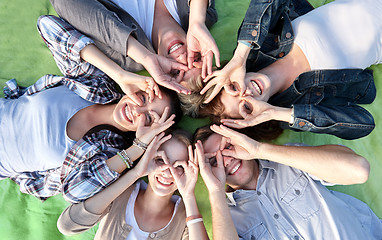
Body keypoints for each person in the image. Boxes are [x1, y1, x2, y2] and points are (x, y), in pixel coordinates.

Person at [0, 15, 183, 203]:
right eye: (144, 99)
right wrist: (119, 75)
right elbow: (48, 26)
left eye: (150, 118)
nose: (137, 111)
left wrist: (138, 147)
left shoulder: (110, 154)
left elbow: (73, 192)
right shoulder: (97, 85)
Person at [185, 0, 380, 140]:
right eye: (245, 107)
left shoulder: (260, 45)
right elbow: (363, 123)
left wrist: (240, 57)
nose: (247, 94)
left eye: (234, 89)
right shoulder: (296, 109)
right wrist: (277, 113)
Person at [194, 124, 382, 239]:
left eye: (228, 146)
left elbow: (358, 169)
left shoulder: (288, 159)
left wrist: (259, 149)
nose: (226, 160)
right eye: (213, 161)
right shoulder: (228, 220)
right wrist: (216, 191)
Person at [57, 129, 209, 240]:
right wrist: (136, 173)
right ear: (148, 158)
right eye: (161, 160)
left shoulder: (186, 219)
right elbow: (68, 225)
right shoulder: (121, 192)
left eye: (179, 167)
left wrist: (188, 195)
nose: (168, 172)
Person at [49, 0, 220, 94]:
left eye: (176, 71)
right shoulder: (199, 17)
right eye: (195, 58)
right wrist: (197, 21)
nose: (182, 57)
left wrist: (144, 56)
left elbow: (64, 3)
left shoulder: (127, 55)